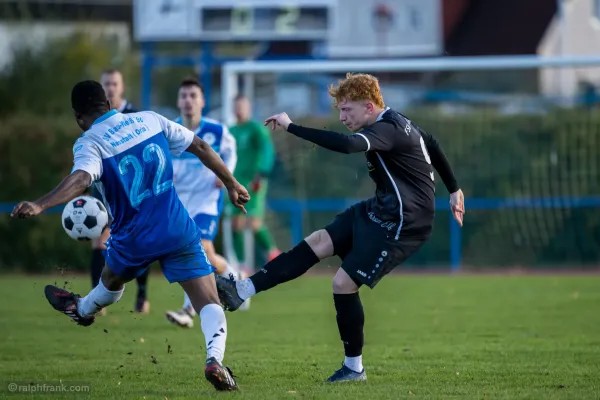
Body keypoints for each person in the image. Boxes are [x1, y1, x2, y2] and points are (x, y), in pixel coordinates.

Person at [215, 73, 465, 383]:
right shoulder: (397, 122)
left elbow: (348, 146)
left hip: (405, 222)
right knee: (319, 241)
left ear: (369, 106)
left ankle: (354, 368)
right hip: (382, 208)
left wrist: (291, 126)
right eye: (340, 110)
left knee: (343, 284)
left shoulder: (386, 129)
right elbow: (432, 142)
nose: (342, 116)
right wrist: (454, 189)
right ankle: (242, 290)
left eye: (347, 110)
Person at [11, 80, 248, 391]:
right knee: (208, 301)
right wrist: (231, 183)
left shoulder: (89, 141)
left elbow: (81, 178)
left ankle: (82, 310)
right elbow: (202, 147)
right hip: (175, 226)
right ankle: (214, 360)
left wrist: (41, 204)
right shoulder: (150, 119)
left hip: (132, 237)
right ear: (109, 104)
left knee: (111, 280)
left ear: (78, 117)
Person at [165, 77, 246, 328]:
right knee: (207, 256)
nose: (188, 101)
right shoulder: (169, 131)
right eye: (183, 96)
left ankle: (189, 310)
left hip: (207, 201)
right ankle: (237, 280)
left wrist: (226, 176)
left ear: (202, 101)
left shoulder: (217, 131)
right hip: (179, 204)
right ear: (178, 101)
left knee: (198, 250)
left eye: (193, 96)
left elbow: (231, 152)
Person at [90, 68, 150, 315]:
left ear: (122, 87)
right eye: (106, 84)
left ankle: (142, 298)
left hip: (132, 191)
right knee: (99, 242)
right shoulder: (95, 119)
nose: (111, 88)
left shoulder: (134, 115)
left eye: (114, 83)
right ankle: (97, 299)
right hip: (104, 189)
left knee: (139, 244)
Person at [228, 95, 280, 267]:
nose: (239, 109)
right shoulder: (230, 131)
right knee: (235, 224)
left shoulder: (256, 129)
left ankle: (272, 252)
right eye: (237, 106)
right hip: (235, 182)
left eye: (242, 106)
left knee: (253, 222)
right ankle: (241, 265)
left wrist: (262, 174)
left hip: (254, 181)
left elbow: (267, 150)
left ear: (249, 108)